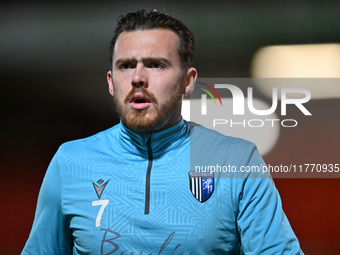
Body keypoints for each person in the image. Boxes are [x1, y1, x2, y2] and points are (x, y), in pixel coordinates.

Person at [22, 9, 304, 254]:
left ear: (188, 80)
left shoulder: (237, 162)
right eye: (126, 66)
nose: (137, 78)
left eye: (156, 65)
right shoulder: (70, 162)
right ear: (110, 81)